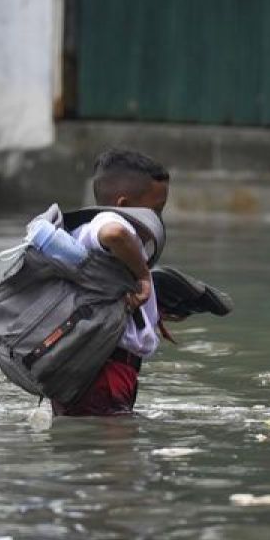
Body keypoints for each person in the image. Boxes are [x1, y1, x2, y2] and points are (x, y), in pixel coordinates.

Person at [51, 149, 171, 416]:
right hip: (104, 373)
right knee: (114, 456)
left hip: (93, 368)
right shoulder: (111, 220)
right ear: (124, 204)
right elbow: (113, 233)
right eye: (156, 210)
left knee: (91, 449)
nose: (159, 221)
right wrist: (142, 276)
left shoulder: (88, 234)